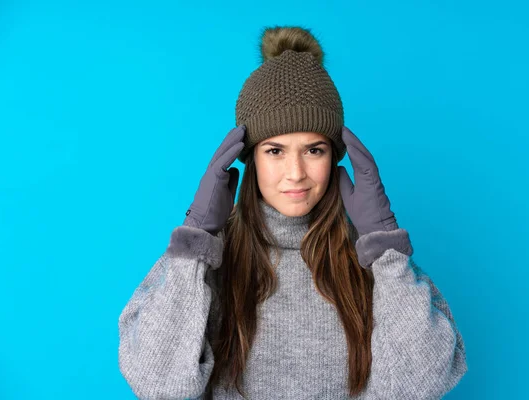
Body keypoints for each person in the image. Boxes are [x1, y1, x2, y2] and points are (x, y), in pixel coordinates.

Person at [118, 26, 467, 399]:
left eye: (314, 149)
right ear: (249, 157)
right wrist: (196, 242)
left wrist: (385, 249)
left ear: (335, 155)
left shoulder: (376, 264)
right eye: (275, 151)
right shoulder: (205, 261)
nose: (296, 172)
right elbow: (157, 385)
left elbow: (425, 384)